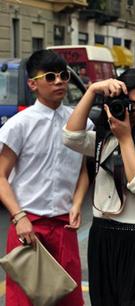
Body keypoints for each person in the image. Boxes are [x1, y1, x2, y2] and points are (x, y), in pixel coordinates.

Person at [63, 68, 135, 306]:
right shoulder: (108, 138)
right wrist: (93, 91)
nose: (134, 112)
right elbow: (71, 137)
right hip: (102, 237)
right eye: (129, 105)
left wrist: (126, 139)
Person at [0, 49, 91, 306]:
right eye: (50, 77)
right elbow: (1, 176)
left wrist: (77, 203)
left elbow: (83, 170)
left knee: (68, 300)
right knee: (24, 300)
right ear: (33, 84)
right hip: (28, 227)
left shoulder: (78, 122)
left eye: (63, 75)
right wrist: (19, 218)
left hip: (64, 228)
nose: (59, 81)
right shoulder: (19, 125)